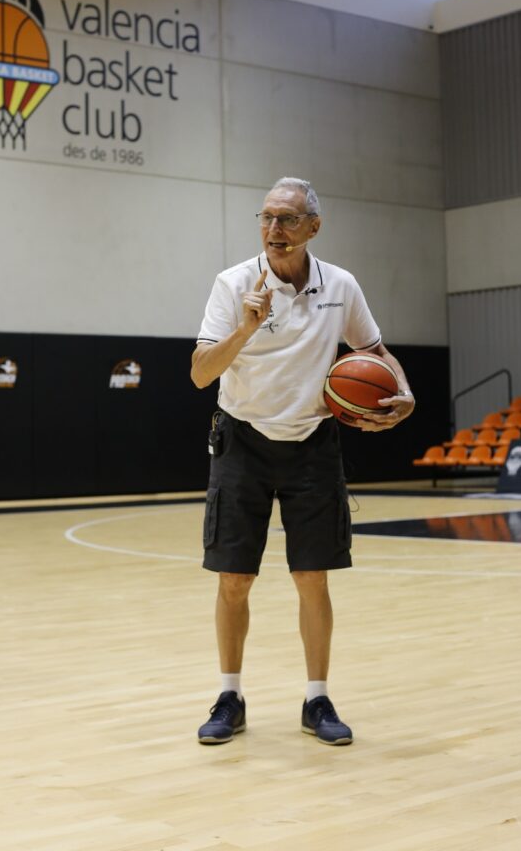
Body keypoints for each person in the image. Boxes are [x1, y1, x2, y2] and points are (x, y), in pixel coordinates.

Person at [191, 177, 414, 746]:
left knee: (312, 577)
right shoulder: (233, 283)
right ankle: (229, 696)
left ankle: (317, 700)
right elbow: (200, 373)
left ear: (314, 226)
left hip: (313, 443)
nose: (274, 230)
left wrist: (404, 391)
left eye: (287, 219)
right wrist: (245, 326)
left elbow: (374, 352)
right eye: (266, 218)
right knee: (235, 579)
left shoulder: (341, 285)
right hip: (241, 440)